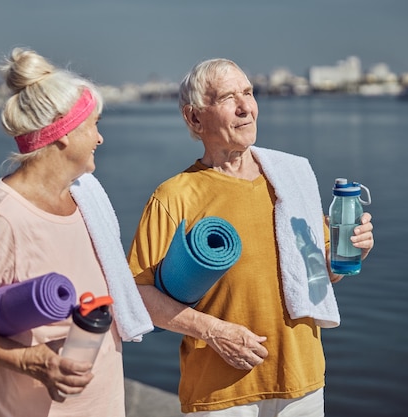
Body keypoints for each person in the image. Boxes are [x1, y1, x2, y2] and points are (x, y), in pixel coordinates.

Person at [127, 58, 374, 416]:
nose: (246, 107)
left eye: (248, 92)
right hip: (221, 394)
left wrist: (353, 250)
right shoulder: (175, 195)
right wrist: (213, 332)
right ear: (194, 118)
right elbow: (136, 293)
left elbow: (322, 276)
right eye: (229, 97)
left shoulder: (291, 177)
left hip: (302, 383)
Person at [0, 47, 153, 417]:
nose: (100, 139)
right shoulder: (3, 217)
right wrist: (31, 362)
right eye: (94, 125)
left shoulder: (84, 199)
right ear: (63, 134)